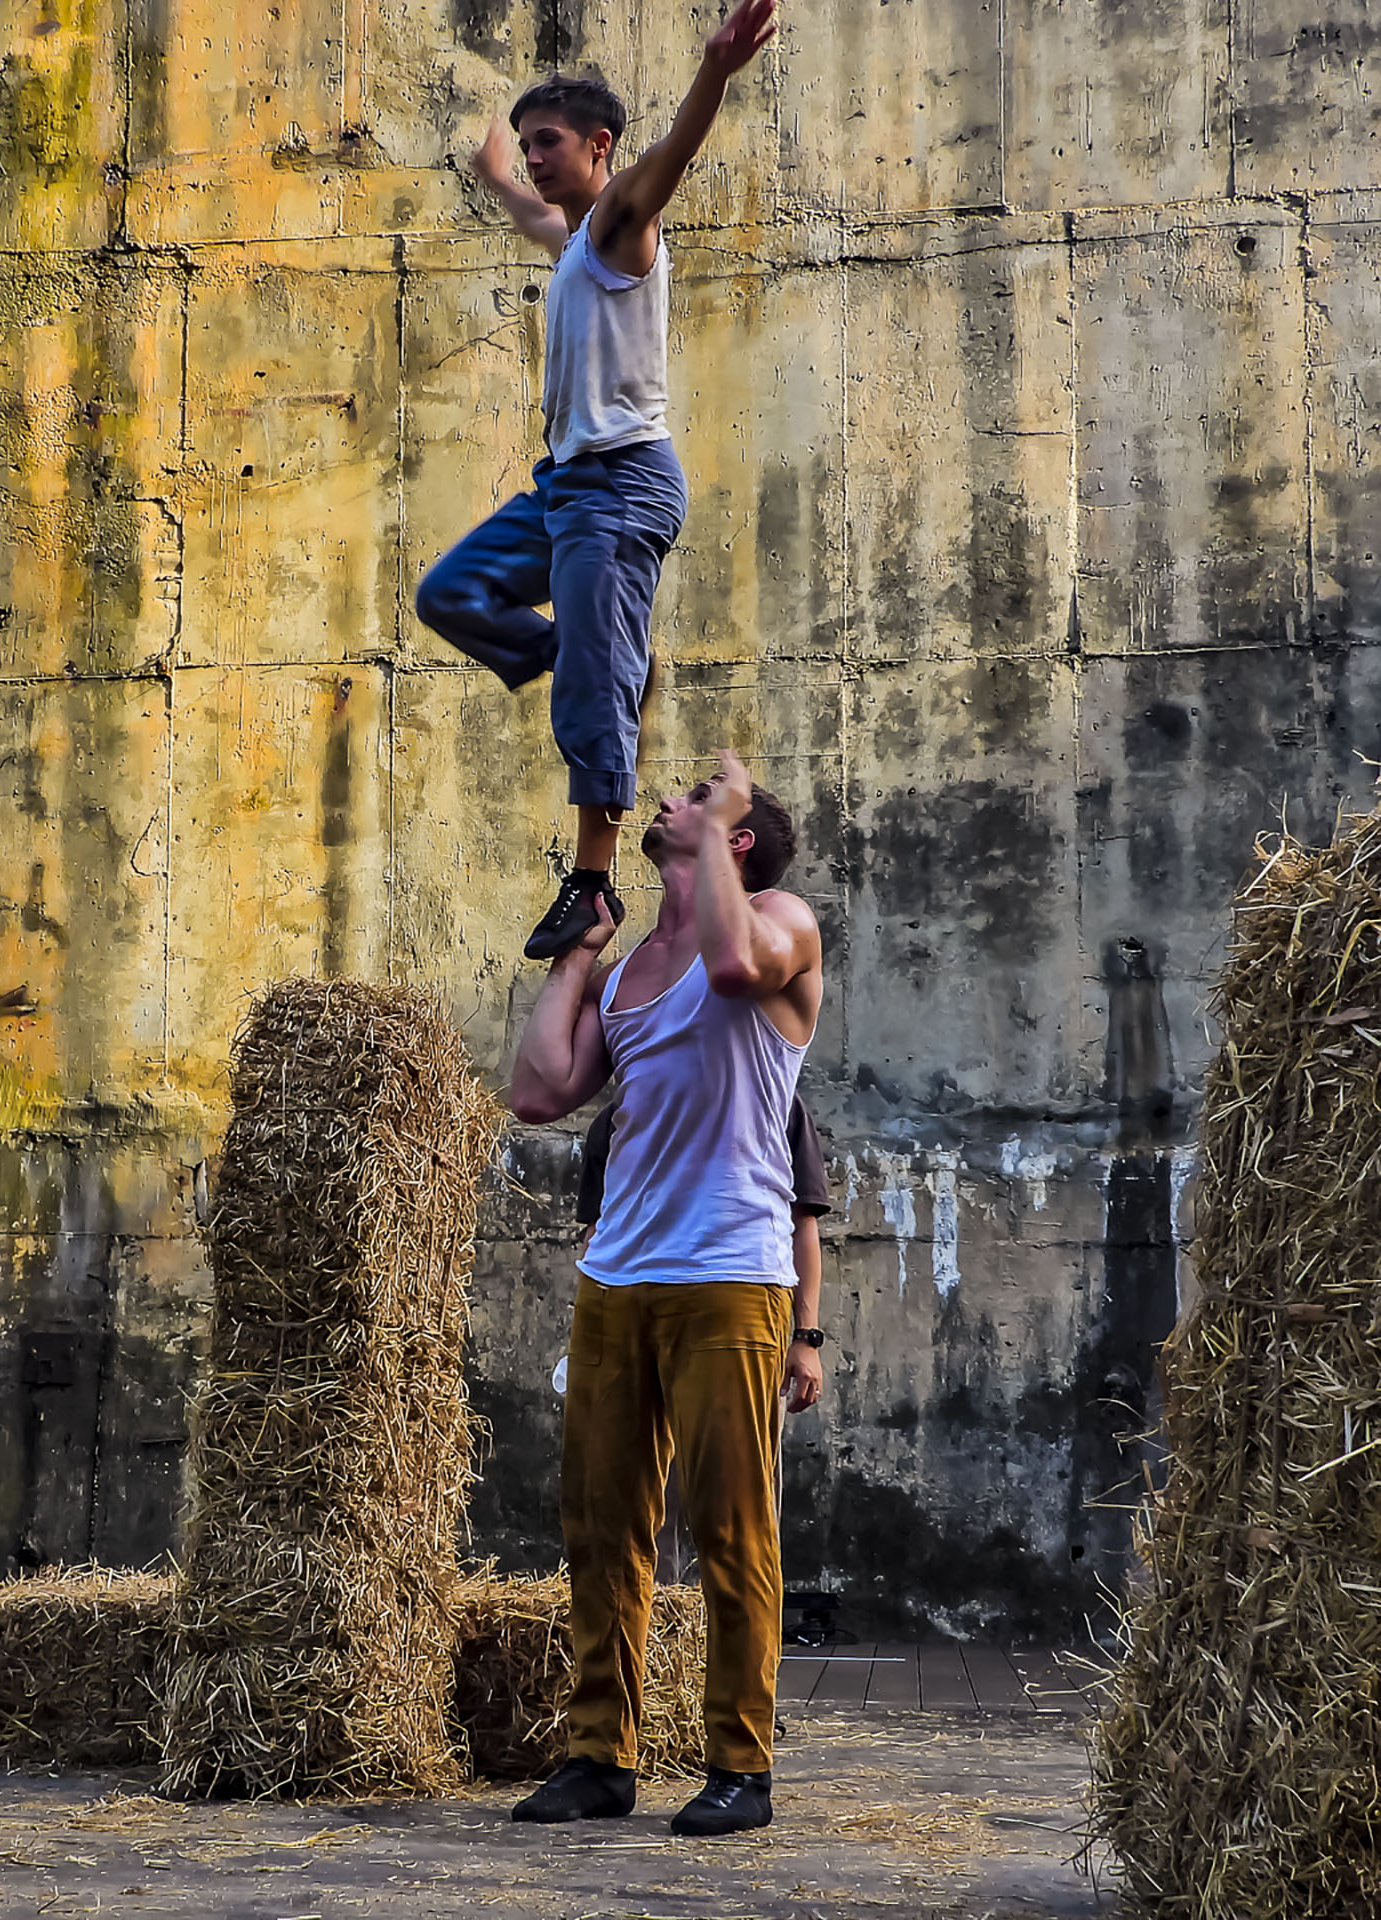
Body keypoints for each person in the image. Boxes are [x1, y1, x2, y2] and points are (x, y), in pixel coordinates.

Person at [415, 1, 779, 963]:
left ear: (599, 147)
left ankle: (590, 883)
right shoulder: (575, 239)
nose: (536, 157)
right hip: (566, 489)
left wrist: (714, 72)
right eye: (530, 142)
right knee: (450, 593)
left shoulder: (621, 222)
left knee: (591, 692)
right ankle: (598, 658)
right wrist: (497, 177)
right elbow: (535, 215)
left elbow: (673, 157)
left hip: (622, 484)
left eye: (549, 142)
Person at [507, 748, 823, 1837]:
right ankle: (600, 1756)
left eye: (695, 795)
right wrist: (577, 957)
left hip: (730, 1275)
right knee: (601, 1529)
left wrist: (726, 805)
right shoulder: (634, 966)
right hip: (617, 1278)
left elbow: (733, 970)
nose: (668, 797)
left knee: (731, 1530)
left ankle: (740, 1766)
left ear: (736, 838)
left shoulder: (780, 921)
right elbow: (538, 1090)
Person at [576, 1090, 828, 1580]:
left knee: (741, 1497)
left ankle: (739, 1622)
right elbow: (597, 1235)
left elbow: (802, 1224)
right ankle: (666, 1613)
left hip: (741, 1315)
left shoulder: (773, 1100)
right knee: (641, 1490)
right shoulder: (617, 1117)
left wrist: (806, 1338)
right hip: (638, 1319)